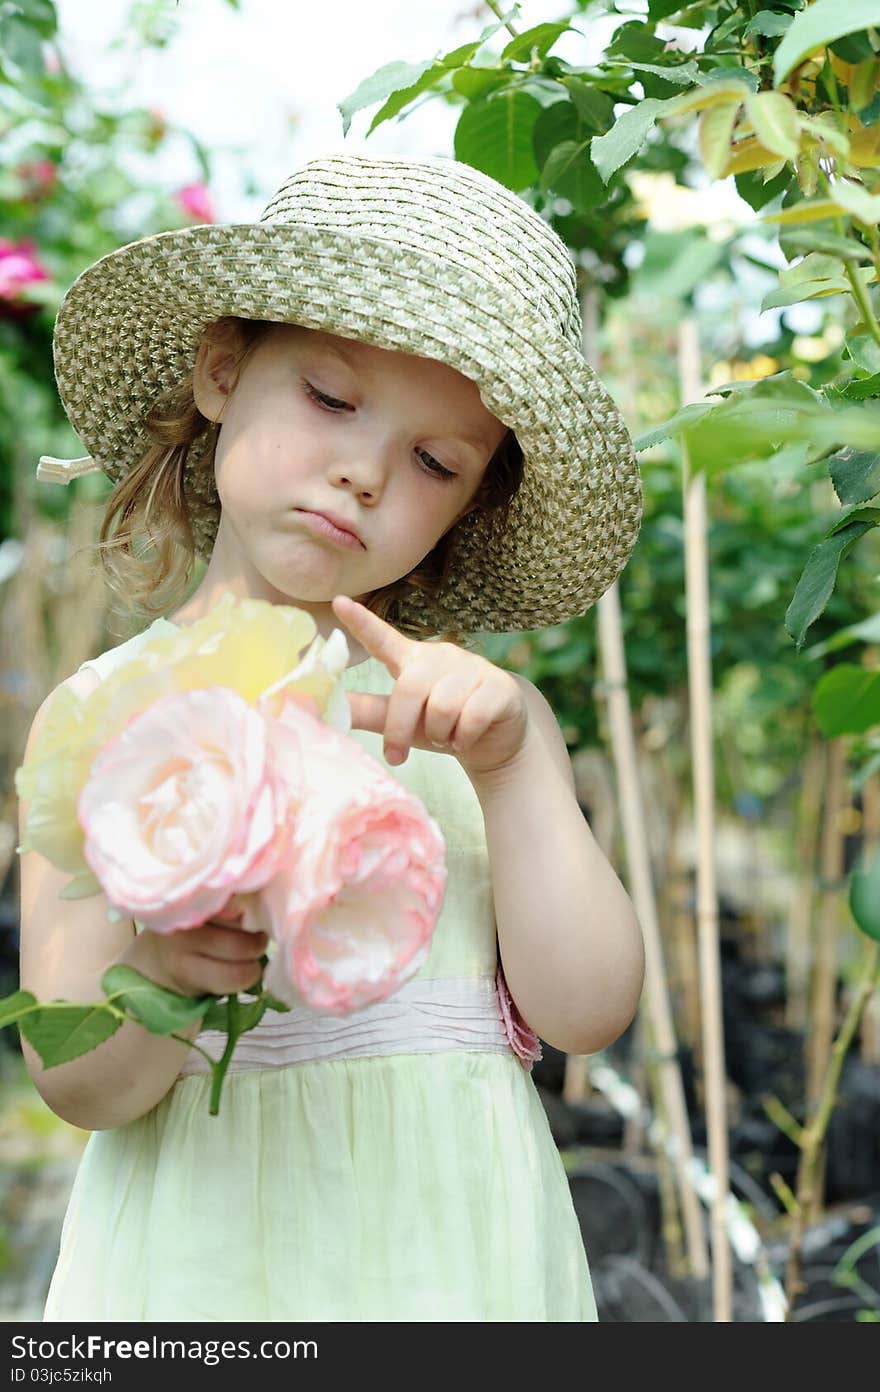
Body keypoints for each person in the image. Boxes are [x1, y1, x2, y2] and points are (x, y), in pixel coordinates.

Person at [19, 151, 645, 1322]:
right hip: (207, 1274)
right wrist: (155, 975)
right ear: (219, 373)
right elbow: (79, 1085)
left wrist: (512, 773)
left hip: (459, 1259)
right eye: (330, 396)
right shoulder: (106, 717)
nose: (362, 470)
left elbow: (586, 1012)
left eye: (432, 461)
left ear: (467, 509)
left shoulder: (479, 732)